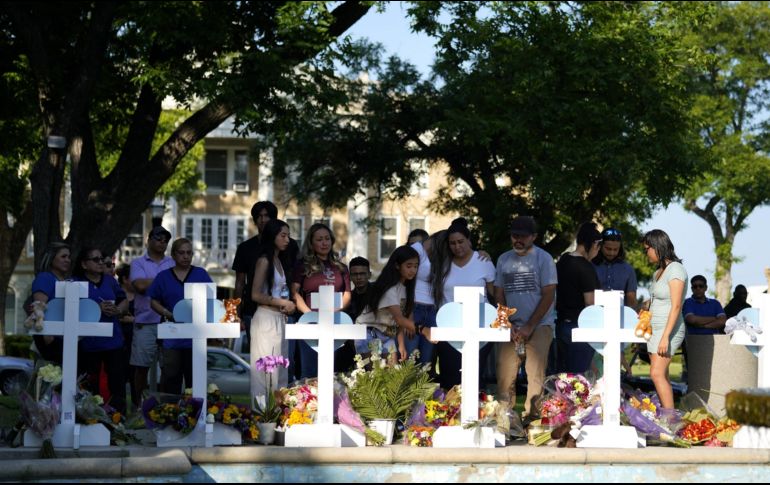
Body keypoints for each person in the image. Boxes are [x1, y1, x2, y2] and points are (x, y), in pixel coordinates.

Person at [494, 216, 557, 419]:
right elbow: (498, 293)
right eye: (514, 236)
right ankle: (505, 421)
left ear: (534, 237)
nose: (517, 240)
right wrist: (507, 322)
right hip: (510, 326)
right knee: (504, 375)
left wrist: (530, 326)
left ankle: (533, 421)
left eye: (522, 236)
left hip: (539, 325)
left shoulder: (544, 259)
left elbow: (549, 294)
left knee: (535, 376)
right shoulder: (503, 259)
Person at [432, 219, 496, 390]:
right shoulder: (442, 263)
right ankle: (448, 414)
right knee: (449, 374)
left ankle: (477, 413)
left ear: (469, 240)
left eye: (461, 241)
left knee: (474, 374)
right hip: (449, 327)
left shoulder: (483, 261)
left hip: (479, 327)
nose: (457, 246)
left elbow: (494, 295)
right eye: (452, 243)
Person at [232, 201, 300, 351]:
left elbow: (294, 278)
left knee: (286, 362)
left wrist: (293, 304)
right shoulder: (246, 248)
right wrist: (234, 315)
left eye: (266, 216)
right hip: (254, 310)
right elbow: (239, 283)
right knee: (263, 360)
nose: (262, 220)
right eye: (259, 216)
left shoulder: (290, 246)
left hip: (286, 310)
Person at [149, 238, 213, 394]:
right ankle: (170, 414)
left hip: (195, 338)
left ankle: (197, 415)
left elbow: (211, 300)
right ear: (173, 255)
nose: (185, 256)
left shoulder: (201, 274)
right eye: (181, 253)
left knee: (195, 382)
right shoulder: (163, 277)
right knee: (171, 381)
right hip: (172, 337)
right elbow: (153, 301)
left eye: (189, 253)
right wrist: (167, 313)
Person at [291, 223, 351, 378]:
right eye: (319, 239)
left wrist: (335, 311)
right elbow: (295, 292)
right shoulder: (302, 265)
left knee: (331, 371)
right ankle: (307, 401)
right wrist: (310, 315)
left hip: (335, 322)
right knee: (309, 372)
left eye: (327, 239)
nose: (324, 243)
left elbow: (347, 294)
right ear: (311, 243)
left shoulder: (341, 267)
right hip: (309, 323)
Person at [73, 247, 129, 414]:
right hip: (89, 343)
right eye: (95, 260)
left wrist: (118, 310)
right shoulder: (75, 283)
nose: (100, 263)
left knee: (117, 383)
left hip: (113, 341)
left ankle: (119, 420)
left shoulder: (110, 280)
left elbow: (124, 300)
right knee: (90, 384)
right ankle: (90, 418)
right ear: (84, 264)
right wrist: (96, 307)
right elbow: (70, 309)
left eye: (102, 260)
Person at [249, 219, 295, 402]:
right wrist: (282, 303)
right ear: (272, 236)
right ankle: (262, 418)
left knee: (281, 370)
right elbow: (255, 294)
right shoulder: (264, 261)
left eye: (288, 236)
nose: (287, 240)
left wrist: (284, 306)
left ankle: (278, 416)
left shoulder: (279, 260)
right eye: (283, 236)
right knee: (266, 372)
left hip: (280, 319)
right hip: (266, 318)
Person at [355, 245, 425, 361]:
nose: (413, 270)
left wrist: (401, 344)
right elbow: (399, 319)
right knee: (374, 376)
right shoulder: (390, 288)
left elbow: (400, 320)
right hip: (368, 332)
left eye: (415, 266)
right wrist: (424, 330)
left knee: (392, 373)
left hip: (387, 335)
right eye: (409, 266)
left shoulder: (406, 289)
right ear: (397, 265)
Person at [643, 229, 687, 409]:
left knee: (656, 374)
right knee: (663, 376)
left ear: (657, 247)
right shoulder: (658, 273)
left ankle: (671, 420)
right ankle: (667, 416)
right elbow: (659, 300)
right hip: (655, 329)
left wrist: (665, 336)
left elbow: (676, 305)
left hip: (670, 329)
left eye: (647, 249)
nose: (645, 254)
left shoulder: (676, 269)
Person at [129, 226, 174, 400]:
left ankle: (163, 406)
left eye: (165, 240)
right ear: (148, 240)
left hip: (169, 322)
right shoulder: (138, 263)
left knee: (168, 369)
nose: (162, 243)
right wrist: (166, 282)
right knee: (141, 368)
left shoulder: (172, 262)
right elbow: (139, 286)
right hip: (145, 322)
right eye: (158, 238)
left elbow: (177, 286)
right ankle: (138, 406)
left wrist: (153, 284)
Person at [555, 222, 602, 374]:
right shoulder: (586, 268)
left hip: (561, 324)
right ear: (594, 244)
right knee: (577, 380)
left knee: (563, 378)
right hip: (580, 326)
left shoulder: (563, 260)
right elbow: (590, 303)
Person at [28, 242, 72, 364]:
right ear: (52, 258)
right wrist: (48, 336)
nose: (67, 260)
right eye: (63, 256)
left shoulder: (66, 281)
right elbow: (39, 308)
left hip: (65, 335)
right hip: (50, 336)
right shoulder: (45, 278)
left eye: (68, 257)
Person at [592, 228, 637, 308]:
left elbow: (632, 301)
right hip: (593, 316)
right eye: (608, 249)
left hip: (620, 317)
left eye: (616, 249)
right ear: (600, 246)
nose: (612, 253)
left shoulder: (628, 270)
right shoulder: (590, 266)